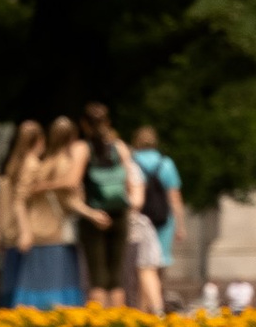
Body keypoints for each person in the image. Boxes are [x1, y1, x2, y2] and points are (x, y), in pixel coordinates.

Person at [12, 117, 88, 309]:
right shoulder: (57, 163)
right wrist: (92, 214)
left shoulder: (42, 162)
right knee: (55, 293)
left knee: (37, 290)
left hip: (41, 231)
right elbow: (68, 200)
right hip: (52, 232)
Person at [73, 105, 140, 306]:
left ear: (84, 125)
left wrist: (90, 213)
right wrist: (132, 204)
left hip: (94, 216)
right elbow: (132, 181)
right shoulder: (119, 147)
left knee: (97, 277)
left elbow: (71, 184)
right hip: (119, 213)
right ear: (108, 123)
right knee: (116, 277)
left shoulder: (82, 149)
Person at [130, 125, 182, 313]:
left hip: (140, 219)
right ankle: (154, 307)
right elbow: (175, 199)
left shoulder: (131, 162)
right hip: (163, 221)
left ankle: (142, 309)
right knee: (157, 267)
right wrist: (180, 226)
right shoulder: (166, 163)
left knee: (141, 266)